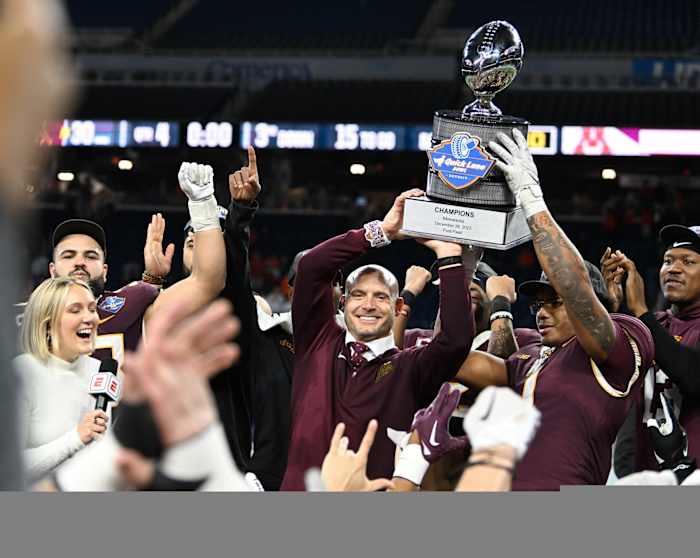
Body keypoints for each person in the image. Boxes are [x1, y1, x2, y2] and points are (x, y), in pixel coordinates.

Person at [453, 129, 655, 489]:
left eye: (554, 302)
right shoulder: (532, 359)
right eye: (538, 305)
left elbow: (575, 285)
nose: (542, 312)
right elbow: (451, 357)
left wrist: (531, 198)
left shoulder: (623, 341)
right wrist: (460, 269)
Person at [280, 189, 475, 490]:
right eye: (358, 295)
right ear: (343, 303)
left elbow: (457, 340)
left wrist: (449, 256)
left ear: (399, 307)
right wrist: (380, 232)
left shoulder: (410, 368)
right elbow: (311, 267)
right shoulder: (317, 341)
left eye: (381, 297)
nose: (368, 305)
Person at [45, 162, 226, 371]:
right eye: (68, 255)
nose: (80, 262)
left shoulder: (131, 303)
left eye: (90, 256)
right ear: (52, 269)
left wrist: (202, 203)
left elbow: (207, 282)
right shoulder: (20, 317)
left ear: (104, 270)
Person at [219, 147, 294, 489]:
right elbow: (234, 275)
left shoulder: (340, 346)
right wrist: (240, 213)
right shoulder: (260, 336)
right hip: (255, 480)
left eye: (332, 282)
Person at [601, 225, 700, 471]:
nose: (674, 269)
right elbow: (609, 377)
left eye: (688, 262)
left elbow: (692, 376)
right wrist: (608, 308)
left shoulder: (648, 324)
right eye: (668, 261)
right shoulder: (655, 325)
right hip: (644, 476)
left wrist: (640, 312)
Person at [15, 278, 109, 482]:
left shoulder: (102, 372)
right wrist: (76, 438)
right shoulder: (21, 374)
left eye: (92, 309)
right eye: (75, 310)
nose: (90, 318)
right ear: (47, 324)